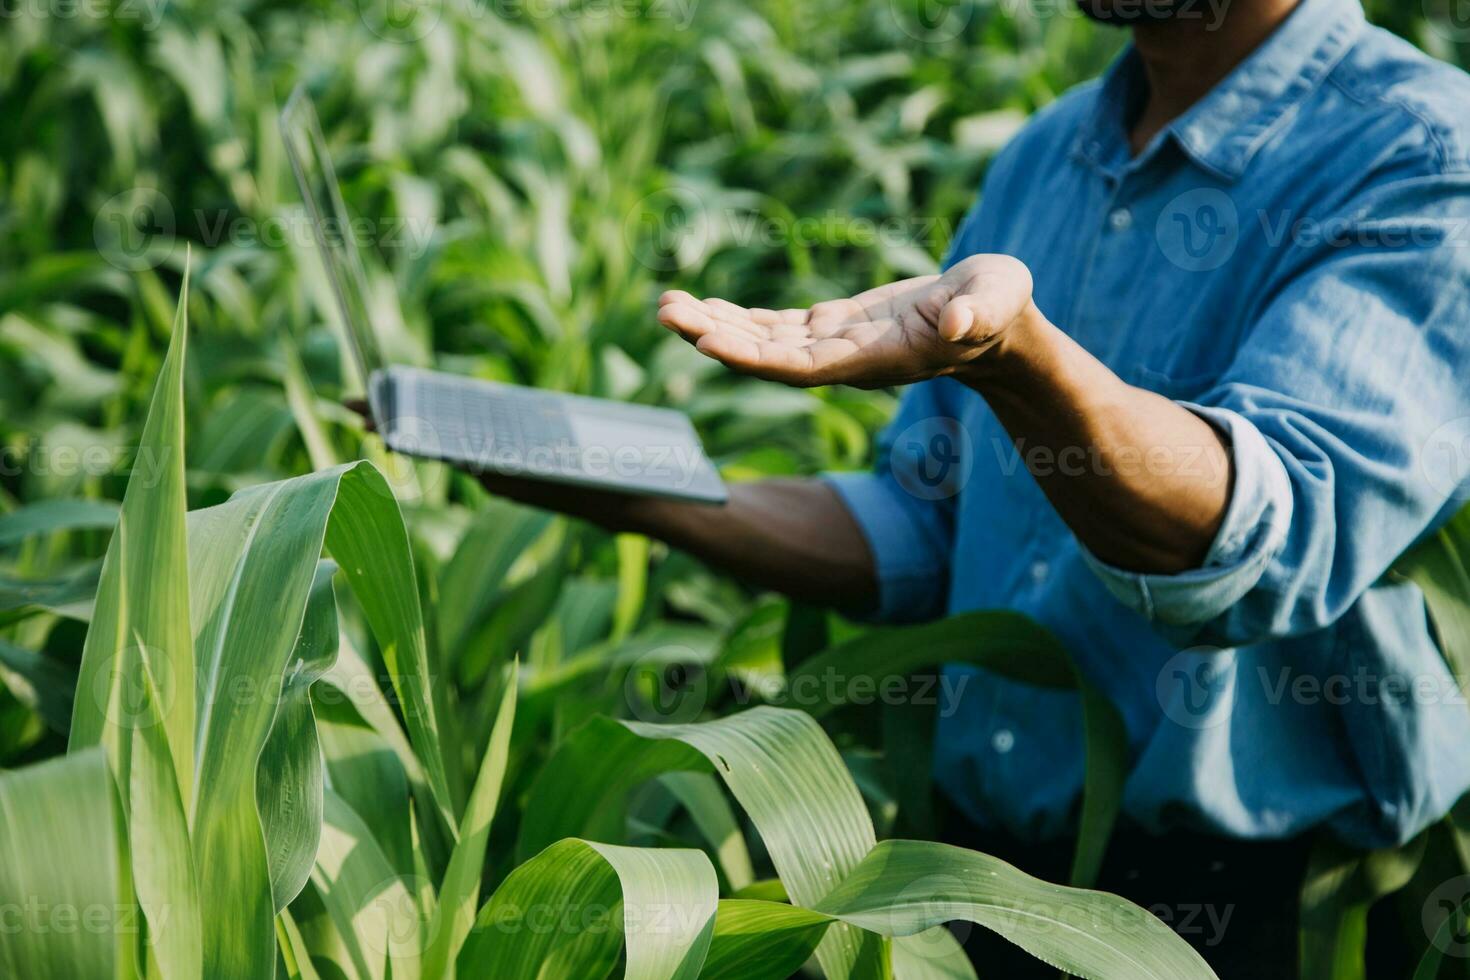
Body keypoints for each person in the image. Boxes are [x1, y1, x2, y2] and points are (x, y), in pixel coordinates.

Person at [465, 0, 1470, 973]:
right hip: (972, 877)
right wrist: (624, 489)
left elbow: (1261, 532)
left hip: (1228, 916)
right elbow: (925, 527)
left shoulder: (1421, 149)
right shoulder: (1052, 151)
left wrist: (1020, 363)